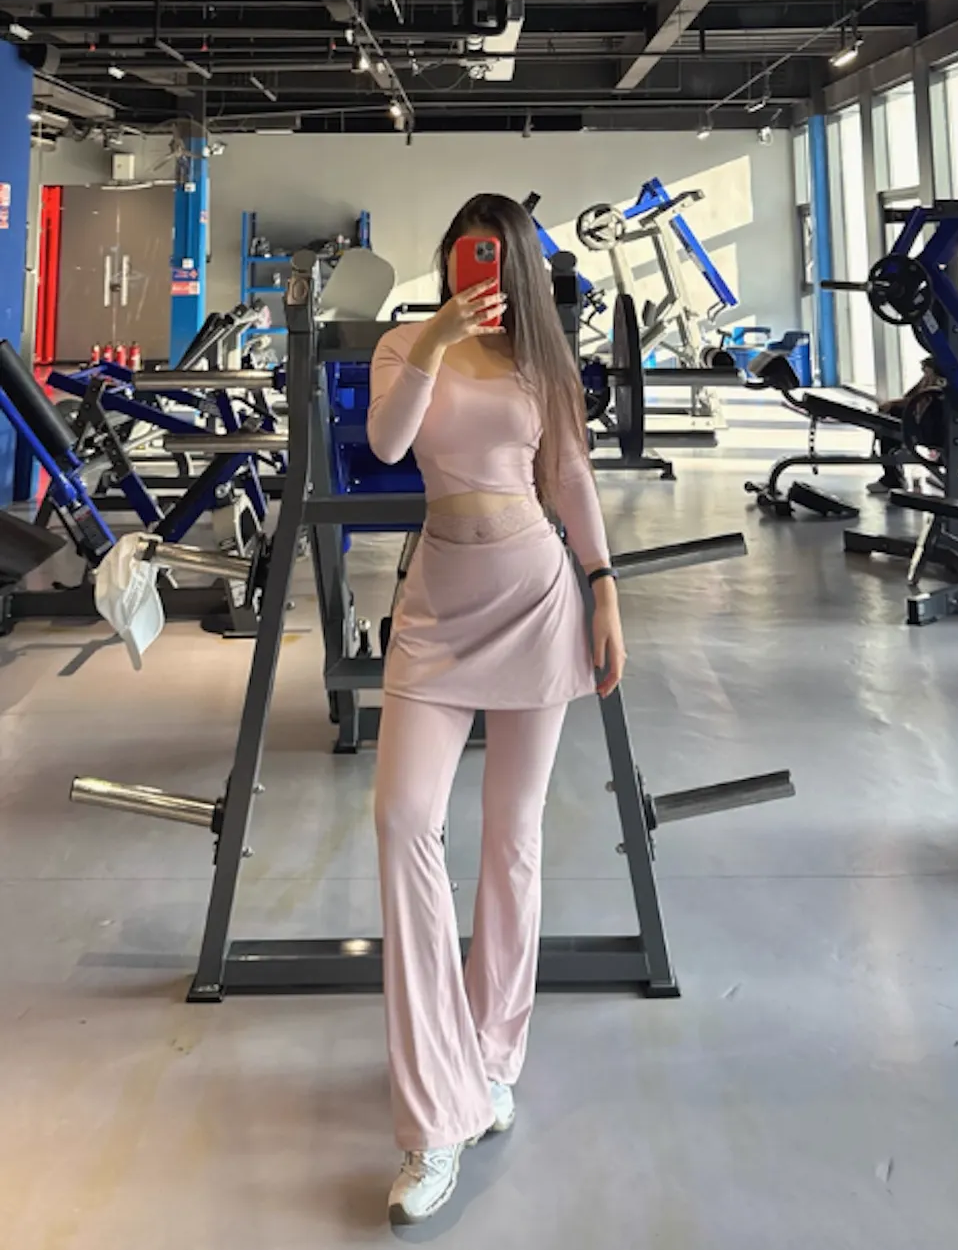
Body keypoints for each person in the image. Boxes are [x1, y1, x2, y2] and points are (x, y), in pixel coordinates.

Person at [367, 194, 626, 1225]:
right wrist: (436, 336)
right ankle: (435, 1113)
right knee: (403, 821)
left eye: (491, 256)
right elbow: (389, 445)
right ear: (446, 261)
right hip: (437, 610)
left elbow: (568, 475)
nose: (474, 269)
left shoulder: (543, 361)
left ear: (515, 264)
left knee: (513, 840)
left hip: (535, 599)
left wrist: (604, 586)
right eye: (460, 254)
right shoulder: (405, 347)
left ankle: (490, 1057)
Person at [868, 354, 958, 495]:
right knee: (890, 420)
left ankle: (892, 478)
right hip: (940, 420)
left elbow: (923, 398)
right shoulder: (951, 367)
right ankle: (892, 477)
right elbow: (915, 396)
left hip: (941, 425)